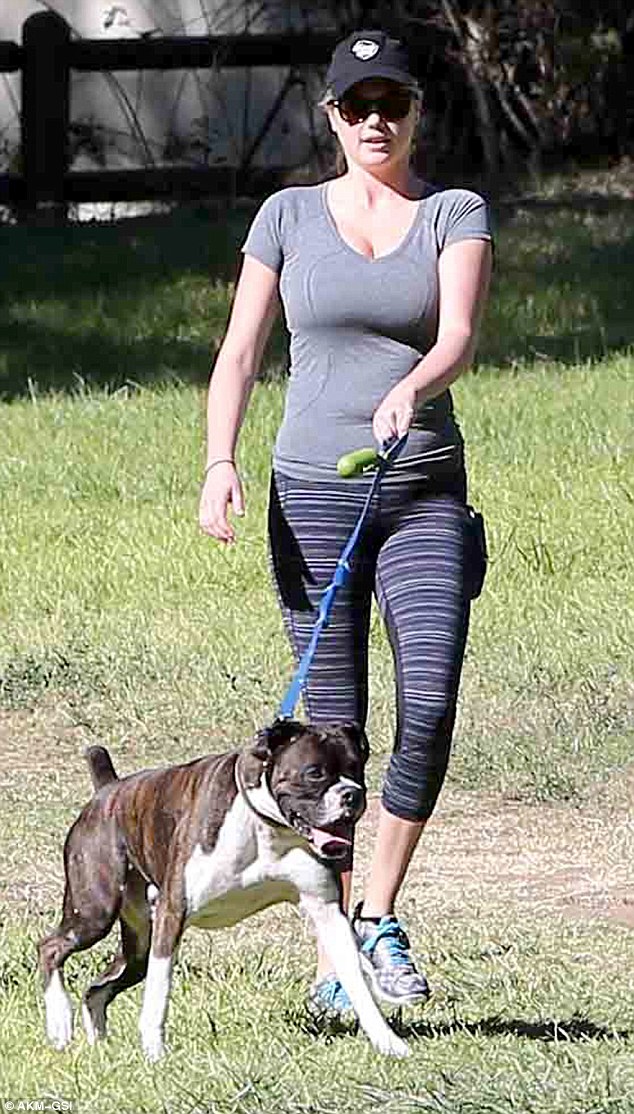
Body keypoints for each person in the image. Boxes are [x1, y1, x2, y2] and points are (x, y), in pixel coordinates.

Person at [199, 28, 493, 1020]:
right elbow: (239, 351)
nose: (376, 120)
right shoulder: (285, 215)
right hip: (311, 496)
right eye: (356, 105)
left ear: (415, 112)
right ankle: (332, 953)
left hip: (420, 489)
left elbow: (455, 336)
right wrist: (219, 463)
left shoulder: (452, 211)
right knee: (328, 741)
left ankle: (375, 915)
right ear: (330, 116)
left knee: (431, 699)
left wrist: (414, 383)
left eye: (392, 103)